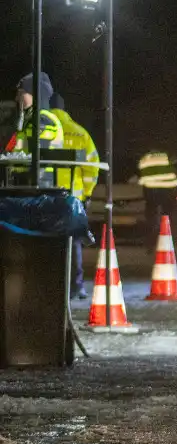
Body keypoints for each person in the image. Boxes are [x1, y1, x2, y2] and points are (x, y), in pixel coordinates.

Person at [50, 93, 100, 300]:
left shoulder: (42, 129)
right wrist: (87, 194)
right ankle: (76, 286)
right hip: (74, 197)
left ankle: (52, 284)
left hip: (46, 195)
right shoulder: (80, 134)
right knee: (74, 242)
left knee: (48, 241)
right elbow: (92, 168)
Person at [7, 73, 64, 186]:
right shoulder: (29, 120)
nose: (17, 98)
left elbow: (40, 157)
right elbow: (14, 150)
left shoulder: (42, 120)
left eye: (21, 93)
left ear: (34, 94)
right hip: (25, 182)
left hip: (37, 185)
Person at [137, 149, 177, 247]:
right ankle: (169, 239)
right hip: (167, 190)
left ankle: (151, 241)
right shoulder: (167, 156)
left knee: (152, 216)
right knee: (168, 216)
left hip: (152, 190)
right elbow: (175, 170)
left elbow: (141, 171)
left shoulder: (145, 158)